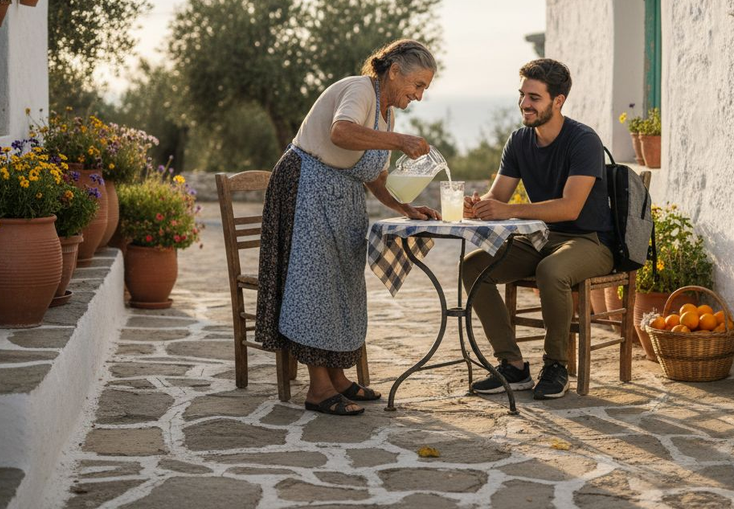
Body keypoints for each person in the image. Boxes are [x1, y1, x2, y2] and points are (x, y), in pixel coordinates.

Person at [256, 39, 441, 416]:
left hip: (339, 199)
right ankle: (318, 389)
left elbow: (373, 176)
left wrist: (405, 207)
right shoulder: (360, 89)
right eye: (418, 85)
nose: (420, 96)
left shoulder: (386, 113)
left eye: (424, 89)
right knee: (316, 283)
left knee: (343, 284)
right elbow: (341, 132)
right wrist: (399, 140)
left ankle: (338, 378)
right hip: (305, 187)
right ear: (394, 71)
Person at [461, 58, 614, 400]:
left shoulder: (583, 140)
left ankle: (556, 365)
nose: (524, 104)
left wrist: (509, 209)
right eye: (522, 95)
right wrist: (479, 207)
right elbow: (497, 196)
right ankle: (512, 365)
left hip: (590, 240)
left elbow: (570, 207)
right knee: (473, 266)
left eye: (534, 97)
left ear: (557, 101)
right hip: (542, 238)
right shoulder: (519, 141)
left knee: (552, 270)